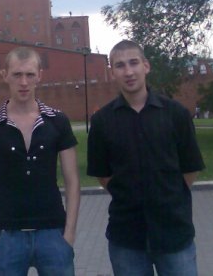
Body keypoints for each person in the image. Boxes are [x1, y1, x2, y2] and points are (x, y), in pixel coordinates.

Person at [87, 40, 205, 276]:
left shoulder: (176, 114)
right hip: (127, 236)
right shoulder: (102, 122)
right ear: (112, 72)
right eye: (120, 65)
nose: (128, 72)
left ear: (146, 66)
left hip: (173, 232)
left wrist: (167, 195)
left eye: (134, 63)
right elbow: (103, 175)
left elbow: (190, 168)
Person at [0, 46, 80, 276]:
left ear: (39, 75)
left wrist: (69, 235)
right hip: (7, 236)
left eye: (30, 75)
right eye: (17, 74)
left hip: (53, 233)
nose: (23, 82)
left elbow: (72, 181)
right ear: (5, 75)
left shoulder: (57, 121)